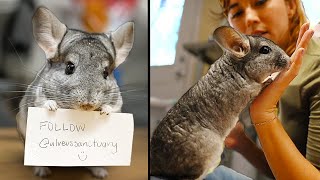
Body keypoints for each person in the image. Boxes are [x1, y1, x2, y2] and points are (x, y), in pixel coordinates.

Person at [213, 0, 320, 179]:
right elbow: (283, 171)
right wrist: (241, 143)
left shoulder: (315, 68)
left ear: (291, 6)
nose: (250, 18)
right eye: (237, 13)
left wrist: (263, 113)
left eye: (260, 2)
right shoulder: (266, 73)